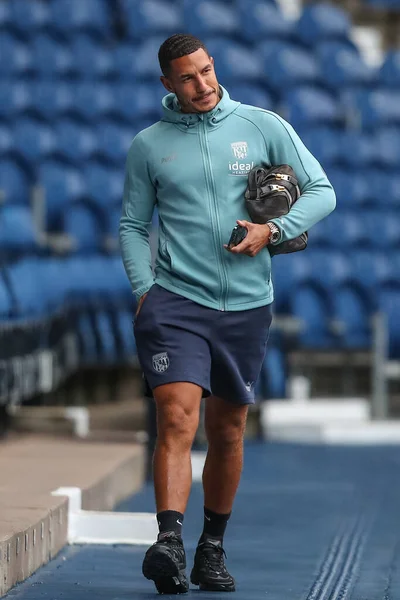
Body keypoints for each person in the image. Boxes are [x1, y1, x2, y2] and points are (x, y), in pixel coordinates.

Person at [119, 33, 336, 594]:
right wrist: (145, 290)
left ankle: (210, 548)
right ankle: (169, 541)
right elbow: (132, 225)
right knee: (176, 417)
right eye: (188, 77)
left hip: (245, 305)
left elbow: (321, 190)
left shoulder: (261, 125)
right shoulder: (149, 145)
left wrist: (274, 228)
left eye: (208, 71)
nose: (204, 84)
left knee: (229, 430)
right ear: (167, 84)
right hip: (174, 302)